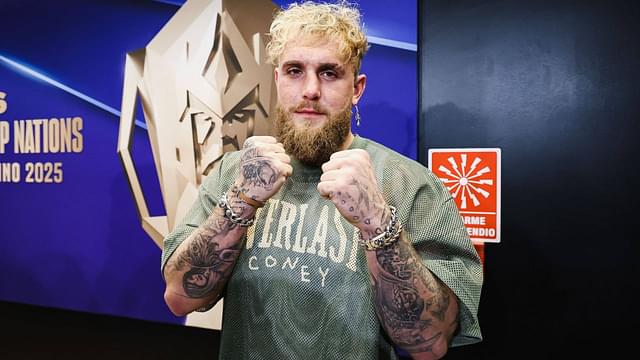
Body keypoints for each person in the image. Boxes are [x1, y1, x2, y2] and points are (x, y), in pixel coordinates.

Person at [161, 1, 483, 359]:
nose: (311, 89)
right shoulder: (233, 172)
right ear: (278, 78)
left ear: (356, 88)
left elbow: (430, 343)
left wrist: (376, 221)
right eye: (295, 70)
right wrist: (241, 200)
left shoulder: (410, 184)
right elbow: (179, 297)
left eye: (330, 73)